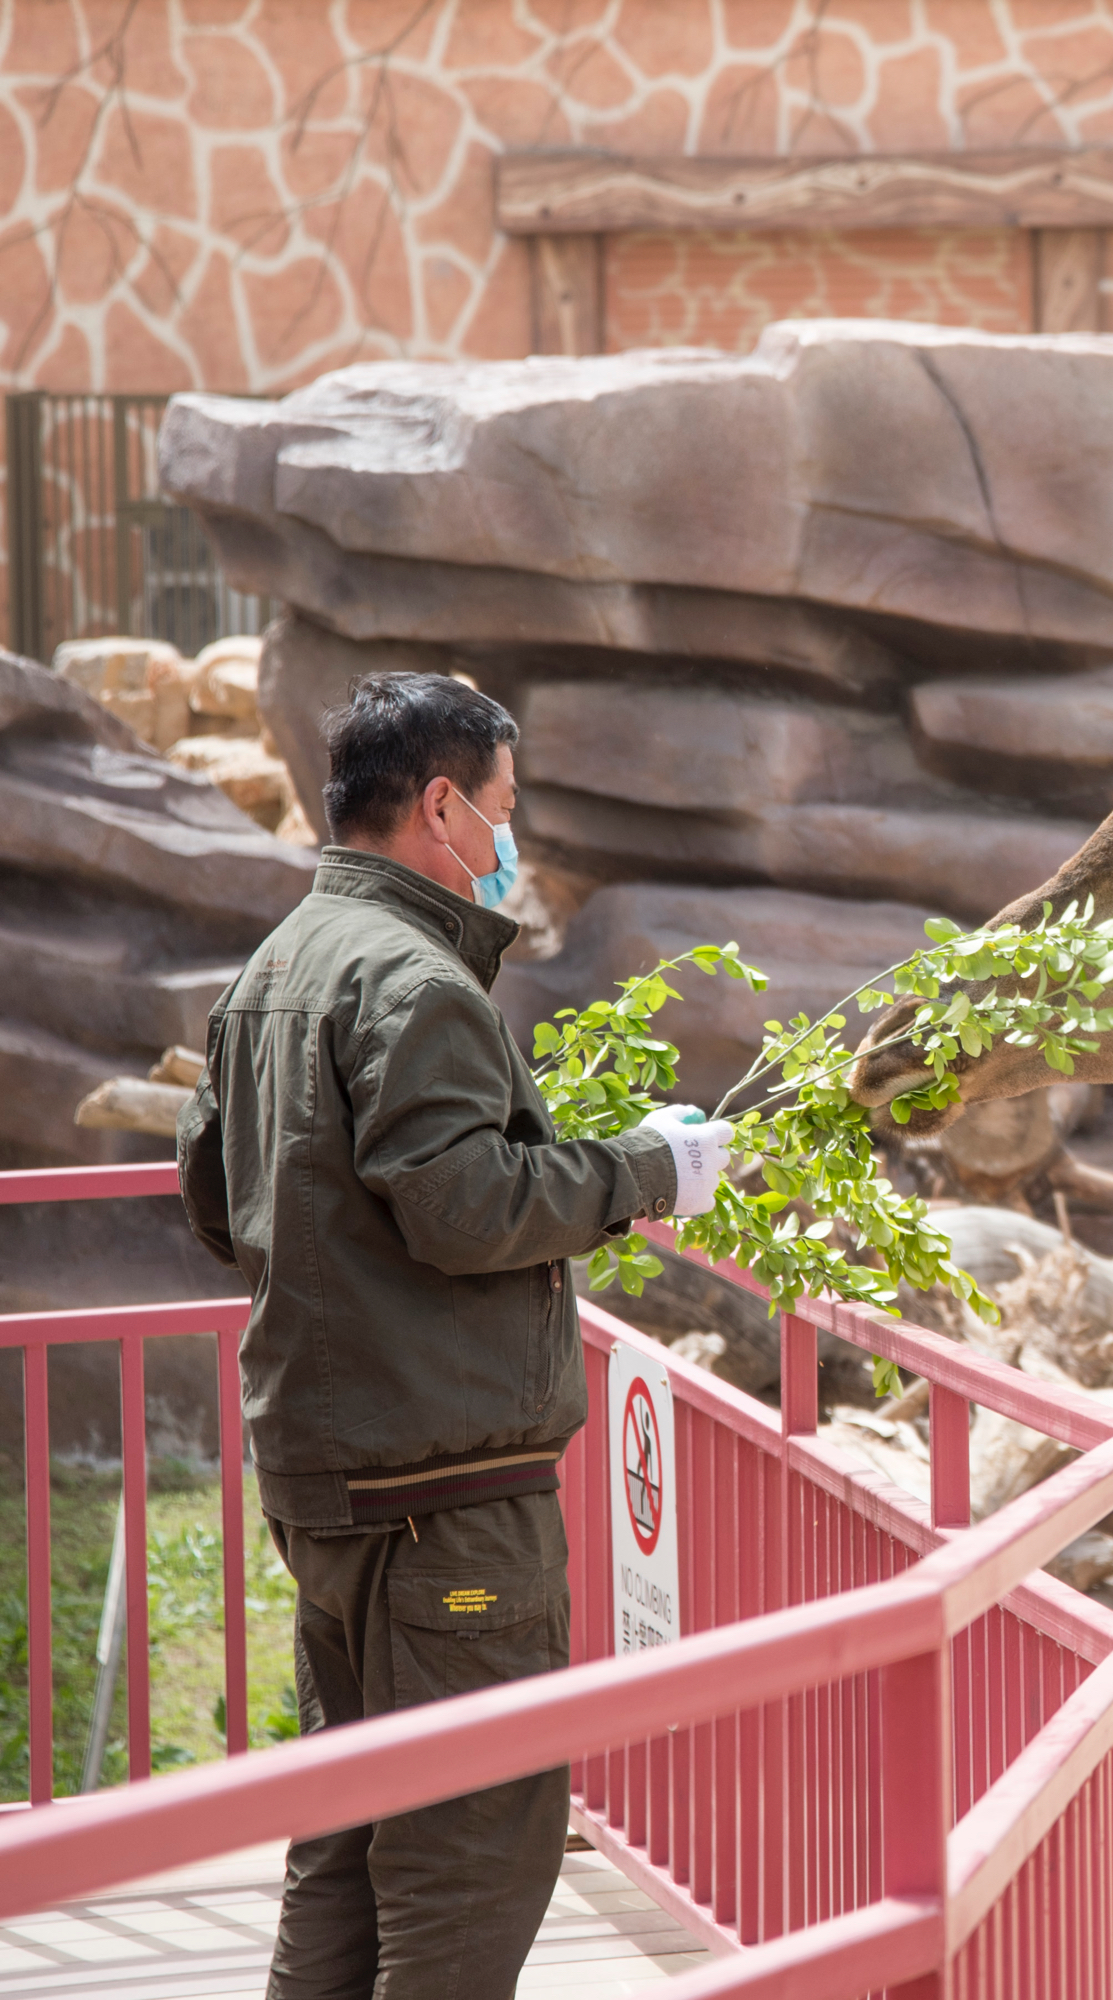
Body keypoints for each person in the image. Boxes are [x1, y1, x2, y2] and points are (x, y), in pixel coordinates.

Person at [176, 672, 731, 2000]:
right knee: (468, 1864)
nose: (513, 841)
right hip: (445, 1500)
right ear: (441, 805)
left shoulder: (279, 962)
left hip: (325, 1485)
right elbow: (467, 1207)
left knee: (350, 1840)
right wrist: (647, 1171)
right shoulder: (413, 979)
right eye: (505, 809)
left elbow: (213, 1198)